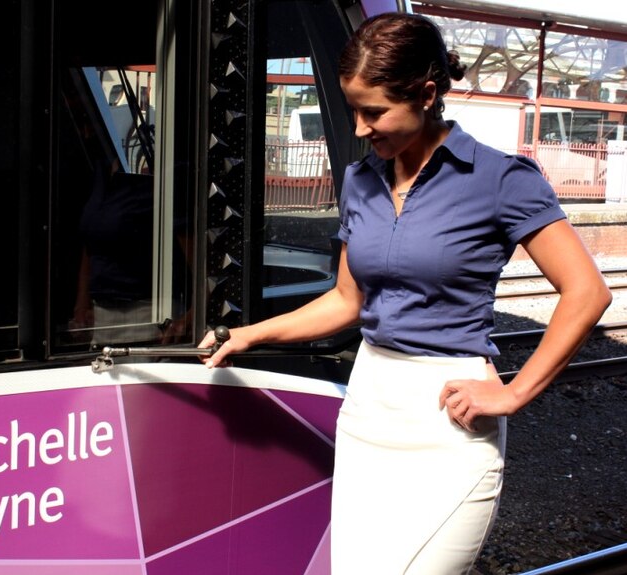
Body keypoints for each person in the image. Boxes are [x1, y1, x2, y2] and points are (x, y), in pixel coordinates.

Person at [199, 12, 612, 575]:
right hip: (370, 410)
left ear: (426, 92)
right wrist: (249, 333)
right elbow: (348, 301)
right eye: (354, 111)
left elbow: (586, 293)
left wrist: (514, 393)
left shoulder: (500, 179)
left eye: (375, 112)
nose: (362, 128)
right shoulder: (360, 180)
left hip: (450, 421)